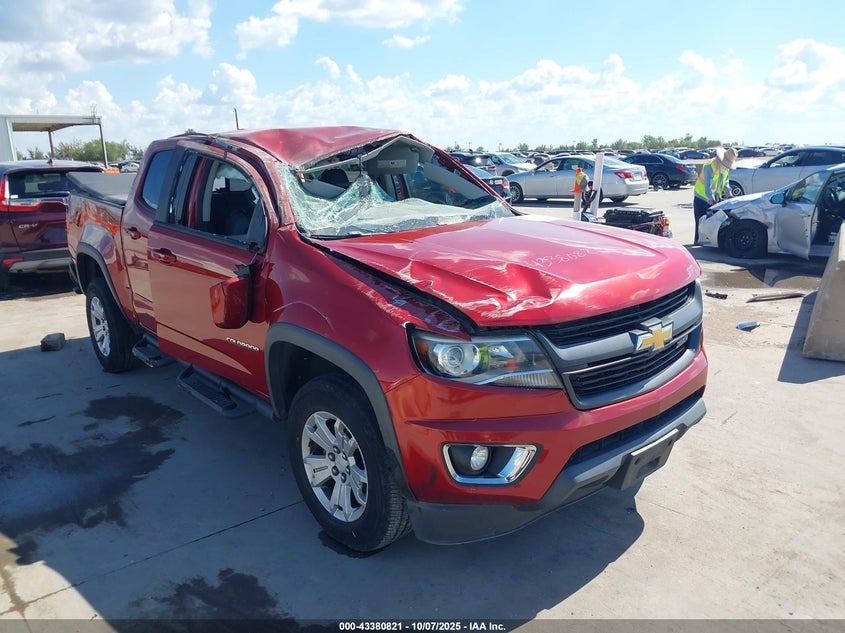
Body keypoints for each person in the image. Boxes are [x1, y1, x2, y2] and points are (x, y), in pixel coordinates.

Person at [693, 146, 737, 243]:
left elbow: (726, 184)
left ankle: (708, 241)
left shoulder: (725, 169)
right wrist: (712, 201)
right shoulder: (710, 166)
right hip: (701, 197)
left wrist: (729, 196)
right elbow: (708, 187)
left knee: (711, 222)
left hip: (712, 198)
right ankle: (698, 242)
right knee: (701, 221)